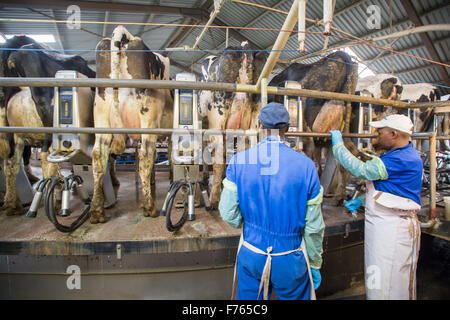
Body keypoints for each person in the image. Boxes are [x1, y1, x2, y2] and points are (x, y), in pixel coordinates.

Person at [219, 102, 325, 300]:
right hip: (290, 257)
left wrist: (250, 224)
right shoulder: (307, 166)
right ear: (287, 128)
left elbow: (228, 213)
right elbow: (314, 228)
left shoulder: (239, 160)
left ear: (259, 124)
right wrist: (315, 263)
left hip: (251, 252)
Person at [329, 114, 423, 300]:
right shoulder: (398, 155)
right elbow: (393, 190)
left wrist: (339, 147)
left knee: (389, 284)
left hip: (393, 231)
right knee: (379, 278)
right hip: (384, 227)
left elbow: (361, 169)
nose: (376, 136)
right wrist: (363, 200)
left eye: (380, 133)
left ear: (394, 134)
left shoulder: (402, 159)